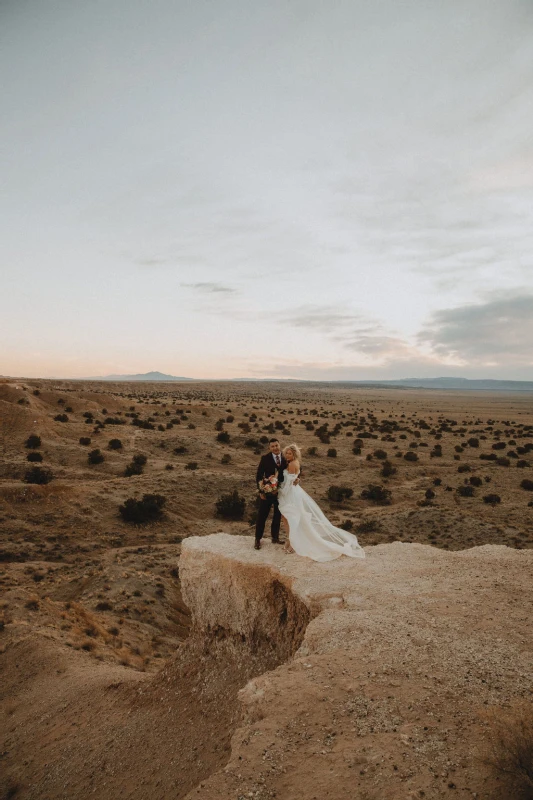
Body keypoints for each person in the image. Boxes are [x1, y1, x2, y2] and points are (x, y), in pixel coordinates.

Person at [278, 444, 365, 562]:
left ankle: (292, 543)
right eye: (286, 453)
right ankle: (290, 539)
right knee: (286, 517)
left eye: (289, 453)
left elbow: (289, 483)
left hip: (290, 494)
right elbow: (293, 479)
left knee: (292, 518)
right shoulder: (292, 463)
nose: (287, 455)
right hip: (292, 492)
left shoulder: (293, 464)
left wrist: (279, 491)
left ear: (294, 454)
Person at [254, 438, 286, 550]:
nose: (275, 448)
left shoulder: (286, 457)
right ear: (269, 448)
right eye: (272, 446)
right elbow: (259, 475)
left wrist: (297, 479)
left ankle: (275, 538)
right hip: (266, 493)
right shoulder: (265, 458)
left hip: (281, 493)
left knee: (277, 516)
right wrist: (261, 491)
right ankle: (257, 539)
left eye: (276, 445)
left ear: (279, 445)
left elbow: (295, 470)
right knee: (262, 516)